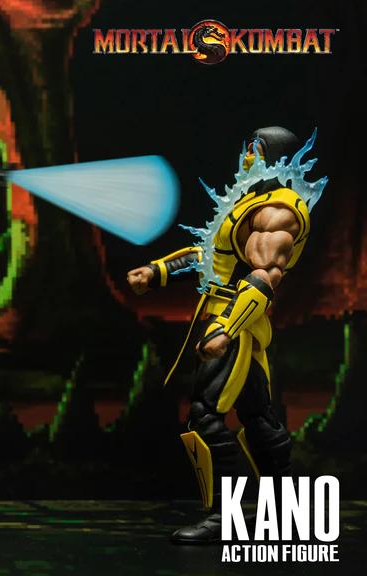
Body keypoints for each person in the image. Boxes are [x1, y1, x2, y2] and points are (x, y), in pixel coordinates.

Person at [126, 126, 310, 544]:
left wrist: (227, 329)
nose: (247, 155)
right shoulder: (251, 202)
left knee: (205, 416)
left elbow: (266, 276)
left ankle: (223, 518)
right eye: (247, 146)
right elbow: (213, 257)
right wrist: (158, 271)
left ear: (276, 157)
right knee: (258, 418)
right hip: (228, 319)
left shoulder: (278, 212)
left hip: (234, 322)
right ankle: (286, 515)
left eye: (256, 148)